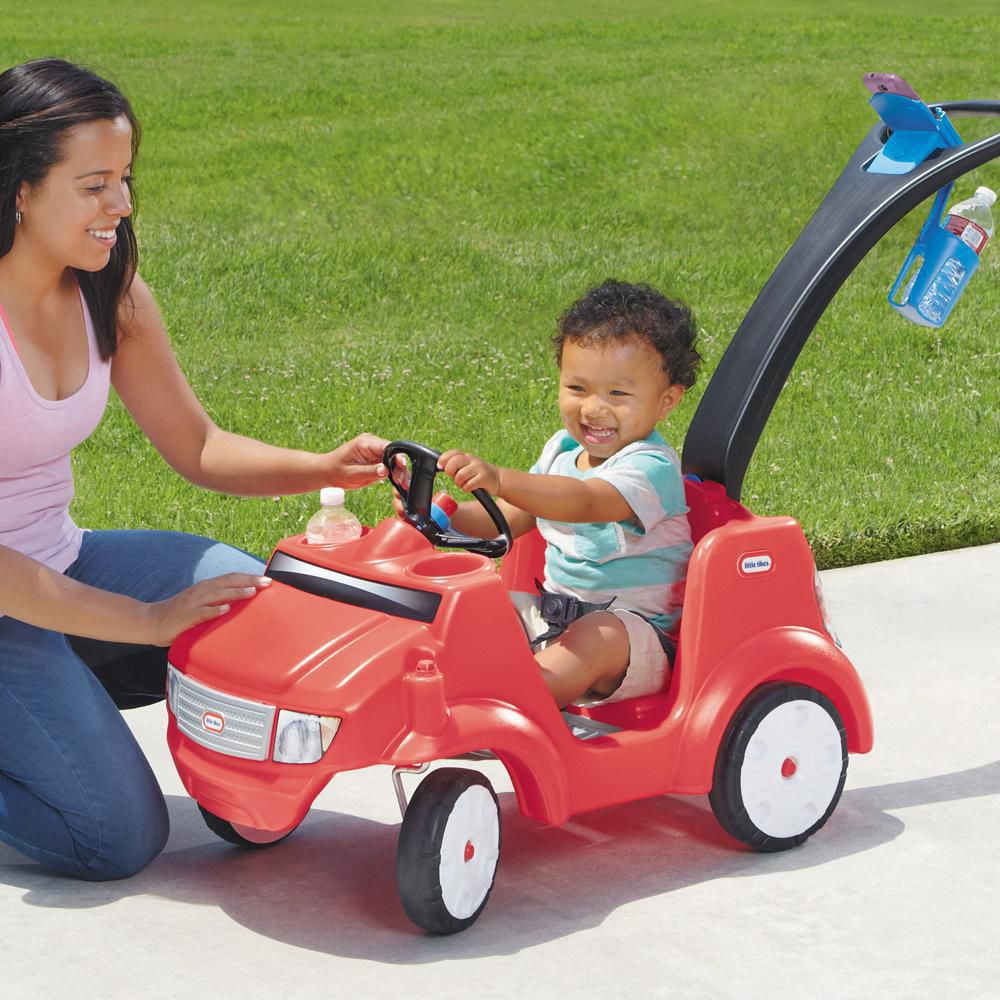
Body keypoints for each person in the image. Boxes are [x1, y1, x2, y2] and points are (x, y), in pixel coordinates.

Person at [0, 58, 391, 881]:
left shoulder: (113, 294)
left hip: (61, 563)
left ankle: (62, 700)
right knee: (114, 838)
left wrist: (322, 466)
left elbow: (199, 447)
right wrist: (147, 622)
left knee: (256, 601)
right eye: (96, 184)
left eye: (127, 178)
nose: (123, 206)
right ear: (21, 189)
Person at [438, 279, 701, 709]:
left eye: (618, 394)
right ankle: (454, 688)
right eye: (578, 389)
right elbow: (508, 518)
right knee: (476, 606)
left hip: (638, 638)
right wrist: (445, 515)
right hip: (555, 617)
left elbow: (586, 502)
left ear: (666, 401)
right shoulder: (562, 450)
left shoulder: (651, 467)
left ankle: (510, 707)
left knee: (596, 637)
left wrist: (502, 477)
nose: (593, 408)